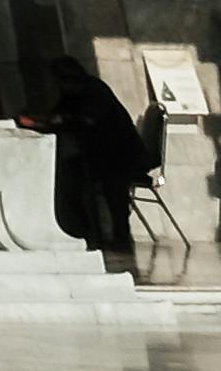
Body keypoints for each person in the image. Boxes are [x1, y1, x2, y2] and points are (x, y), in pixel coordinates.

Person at [39, 58, 160, 262]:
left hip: (121, 155)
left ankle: (118, 237)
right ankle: (86, 230)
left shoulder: (95, 91)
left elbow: (89, 120)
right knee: (71, 179)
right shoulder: (72, 94)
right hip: (99, 155)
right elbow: (59, 114)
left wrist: (64, 120)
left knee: (113, 190)